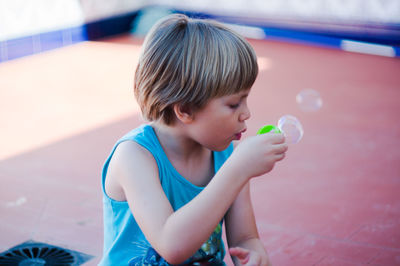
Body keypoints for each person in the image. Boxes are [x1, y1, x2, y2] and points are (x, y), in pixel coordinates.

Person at [99, 13, 288, 266]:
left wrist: (254, 253)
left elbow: (245, 237)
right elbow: (172, 246)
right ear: (185, 110)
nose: (247, 113)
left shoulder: (228, 156)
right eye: (233, 104)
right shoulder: (134, 157)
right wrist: (238, 169)